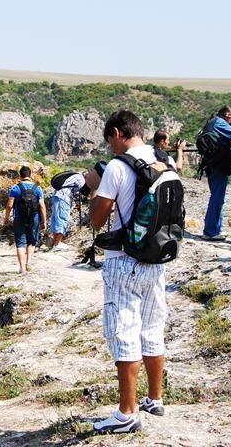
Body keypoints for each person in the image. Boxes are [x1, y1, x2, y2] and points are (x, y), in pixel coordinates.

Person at [83, 110, 167, 434]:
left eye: (110, 142)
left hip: (124, 260)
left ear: (117, 133)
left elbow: (97, 220)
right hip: (156, 259)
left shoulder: (118, 167)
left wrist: (93, 188)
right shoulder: (164, 161)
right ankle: (155, 398)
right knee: (152, 327)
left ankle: (126, 413)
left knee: (124, 334)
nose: (111, 149)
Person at [3, 165, 47, 273]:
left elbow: (9, 205)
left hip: (19, 218)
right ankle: (29, 262)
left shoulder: (16, 188)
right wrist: (44, 221)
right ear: (30, 175)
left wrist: (6, 218)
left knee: (20, 243)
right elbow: (42, 205)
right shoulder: (37, 188)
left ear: (20, 175)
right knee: (31, 241)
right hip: (34, 218)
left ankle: (22, 268)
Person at [202, 106, 231, 241]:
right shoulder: (220, 123)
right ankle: (211, 231)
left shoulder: (211, 122)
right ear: (228, 115)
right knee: (217, 198)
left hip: (210, 164)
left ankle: (215, 229)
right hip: (218, 165)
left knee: (216, 197)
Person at [49, 172, 86, 251]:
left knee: (56, 219)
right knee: (63, 219)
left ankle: (56, 243)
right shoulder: (80, 177)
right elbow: (84, 190)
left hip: (57, 196)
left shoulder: (74, 175)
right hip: (63, 198)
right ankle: (57, 244)